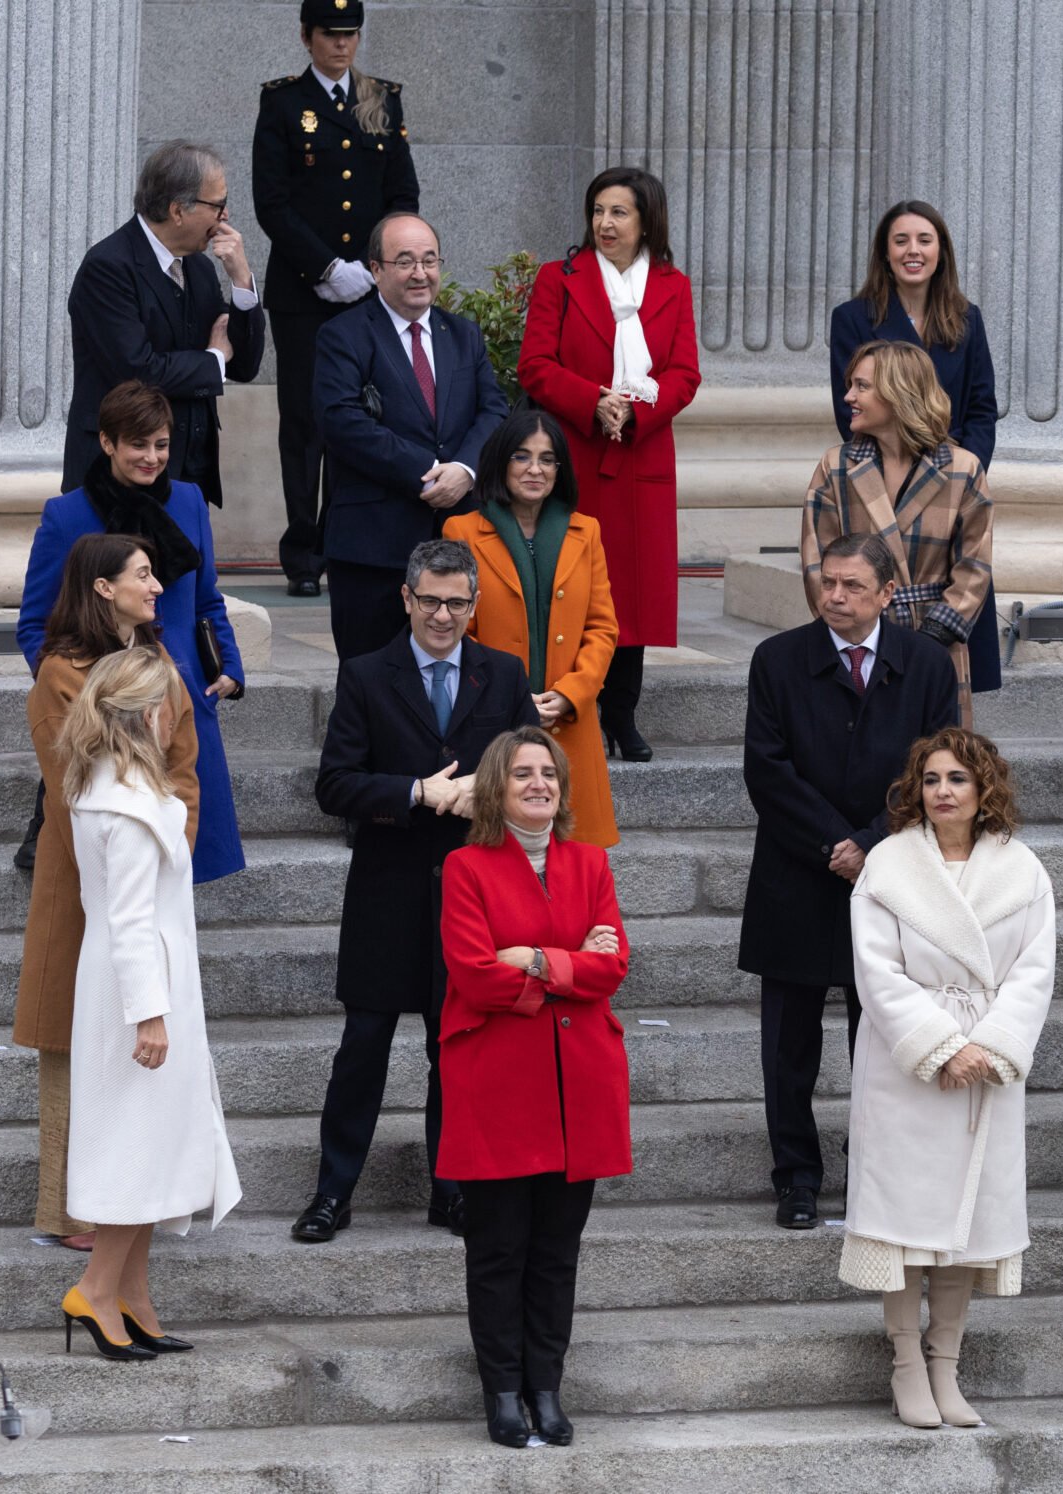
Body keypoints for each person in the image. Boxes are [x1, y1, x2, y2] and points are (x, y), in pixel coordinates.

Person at [294, 539, 535, 1244]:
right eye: (429, 600)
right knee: (363, 1047)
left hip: (472, 901)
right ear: (406, 598)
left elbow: (532, 776)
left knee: (455, 1048)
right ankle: (332, 1192)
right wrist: (416, 792)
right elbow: (334, 784)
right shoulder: (368, 674)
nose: (442, 615)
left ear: (474, 605)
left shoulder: (505, 673)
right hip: (387, 892)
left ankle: (451, 1189)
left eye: (457, 602)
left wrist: (485, 794)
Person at [739, 532, 959, 1230]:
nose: (834, 596)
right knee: (789, 1047)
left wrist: (870, 843)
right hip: (797, 875)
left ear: (888, 594)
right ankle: (796, 1179)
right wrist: (833, 843)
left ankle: (877, 1169)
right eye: (826, 583)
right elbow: (766, 770)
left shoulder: (924, 665)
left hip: (889, 879)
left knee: (884, 1041)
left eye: (852, 586)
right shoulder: (777, 660)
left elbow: (939, 769)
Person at [844, 728, 1055, 1429]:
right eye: (931, 780)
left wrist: (989, 1045)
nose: (943, 792)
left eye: (958, 779)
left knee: (962, 1223)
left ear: (984, 786)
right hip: (908, 1067)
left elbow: (1034, 969)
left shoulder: (1022, 869)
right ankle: (906, 1364)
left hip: (987, 1066)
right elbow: (876, 971)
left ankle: (946, 1366)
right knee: (904, 1223)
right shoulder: (888, 866)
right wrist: (940, 1046)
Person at [439, 727, 631, 1449]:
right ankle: (503, 1393)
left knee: (556, 1250)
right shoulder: (466, 867)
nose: (538, 784)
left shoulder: (589, 863)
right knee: (497, 1250)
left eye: (547, 773)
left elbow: (614, 968)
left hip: (579, 1083)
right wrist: (570, 963)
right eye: (522, 774)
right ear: (497, 786)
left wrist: (535, 961)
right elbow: (474, 974)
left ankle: (546, 1388)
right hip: (498, 1083)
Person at [17, 535, 202, 1252]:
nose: (156, 586)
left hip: (147, 875)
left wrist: (167, 850)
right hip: (85, 877)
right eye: (143, 574)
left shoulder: (158, 664)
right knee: (76, 1042)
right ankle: (72, 1211)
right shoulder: (63, 673)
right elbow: (76, 786)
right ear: (102, 587)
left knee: (132, 1048)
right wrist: (134, 838)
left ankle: (131, 1201)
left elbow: (184, 771)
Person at [57, 646, 241, 1361]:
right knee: (136, 1146)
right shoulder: (129, 806)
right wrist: (151, 1015)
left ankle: (131, 1295)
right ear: (151, 714)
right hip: (141, 994)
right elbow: (131, 921)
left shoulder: (109, 789)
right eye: (173, 704)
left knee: (154, 1144)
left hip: (138, 986)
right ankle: (97, 1290)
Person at [19, 381, 246, 883]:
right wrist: (74, 690)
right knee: (115, 862)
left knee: (185, 851)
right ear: (107, 443)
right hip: (102, 710)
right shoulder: (67, 515)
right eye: (138, 445)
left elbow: (207, 598)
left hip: (182, 694)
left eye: (161, 445)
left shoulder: (189, 501)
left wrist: (228, 666)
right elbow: (34, 623)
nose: (151, 457)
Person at [518, 165, 702, 762]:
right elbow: (536, 365)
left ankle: (623, 715)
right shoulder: (559, 278)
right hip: (577, 450)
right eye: (598, 211)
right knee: (575, 587)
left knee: (634, 597)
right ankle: (576, 707)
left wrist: (637, 413)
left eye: (619, 212)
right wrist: (595, 403)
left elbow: (684, 373)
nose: (605, 223)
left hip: (641, 453)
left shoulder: (673, 285)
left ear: (646, 219)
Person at [252, 0, 420, 596]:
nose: (341, 45)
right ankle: (303, 553)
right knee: (303, 421)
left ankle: (343, 542)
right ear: (307, 36)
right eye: (330, 34)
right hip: (305, 292)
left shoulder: (381, 98)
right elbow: (271, 202)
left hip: (369, 290)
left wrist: (378, 267)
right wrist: (325, 266)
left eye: (351, 34)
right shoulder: (282, 102)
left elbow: (402, 193)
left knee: (363, 417)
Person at [314, 212, 509, 662]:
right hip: (373, 546)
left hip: (457, 539)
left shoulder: (463, 335)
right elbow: (341, 421)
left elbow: (495, 409)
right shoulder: (342, 335)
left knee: (453, 679)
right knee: (369, 679)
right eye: (404, 261)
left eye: (429, 260)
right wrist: (426, 473)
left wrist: (463, 469)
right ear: (375, 269)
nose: (420, 273)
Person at [829, 200, 1003, 702]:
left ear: (941, 251)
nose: (913, 251)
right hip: (883, 488)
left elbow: (981, 408)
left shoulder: (966, 319)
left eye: (924, 240)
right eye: (901, 240)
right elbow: (851, 414)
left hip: (949, 493)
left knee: (948, 656)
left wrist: (958, 477)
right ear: (884, 254)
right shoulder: (854, 318)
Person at [442, 409, 620, 847]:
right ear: (502, 462)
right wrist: (515, 695)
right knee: (499, 863)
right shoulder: (462, 531)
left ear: (561, 469)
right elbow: (455, 630)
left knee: (572, 869)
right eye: (522, 457)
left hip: (569, 726)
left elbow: (602, 628)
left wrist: (573, 693)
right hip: (494, 723)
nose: (535, 469)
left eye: (547, 459)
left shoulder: (588, 532)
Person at [802, 340, 994, 726]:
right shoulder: (836, 467)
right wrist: (855, 628)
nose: (848, 397)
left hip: (935, 645)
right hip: (857, 644)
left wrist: (929, 641)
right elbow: (816, 558)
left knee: (933, 763)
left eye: (861, 386)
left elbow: (974, 567)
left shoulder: (963, 469)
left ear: (897, 394)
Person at [65, 142, 264, 511]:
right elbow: (138, 370)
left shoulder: (200, 268)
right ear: (177, 210)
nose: (225, 216)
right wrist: (213, 358)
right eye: (218, 205)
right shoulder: (108, 267)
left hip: (189, 480)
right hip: (117, 483)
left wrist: (241, 280)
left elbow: (244, 365)